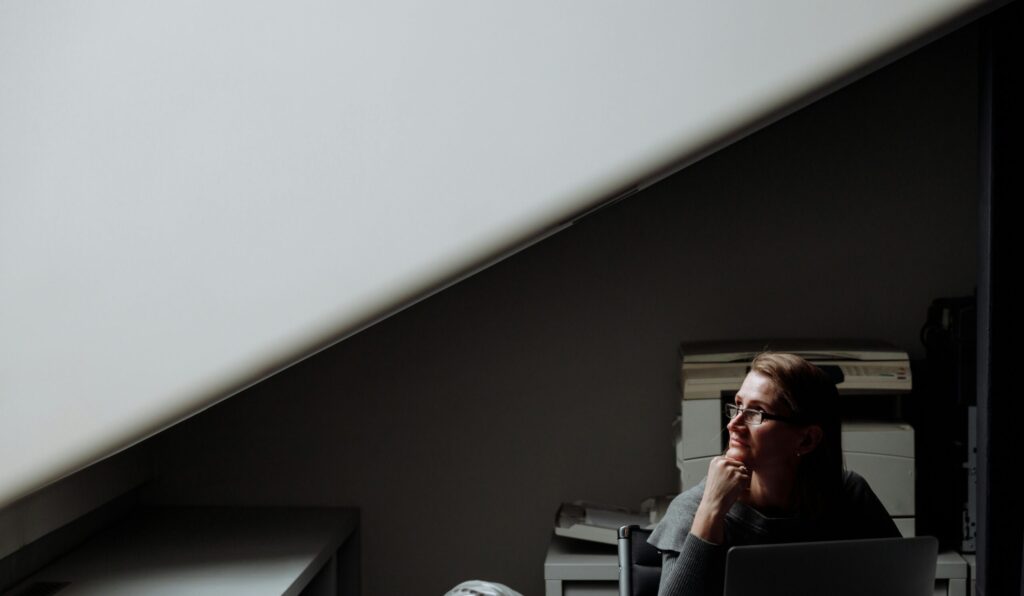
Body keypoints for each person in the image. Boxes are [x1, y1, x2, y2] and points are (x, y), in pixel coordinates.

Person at [648, 352, 900, 596]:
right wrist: (711, 512)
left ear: (807, 440)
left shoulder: (849, 496)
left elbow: (902, 582)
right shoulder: (693, 509)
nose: (733, 424)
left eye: (756, 413)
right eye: (737, 406)